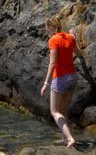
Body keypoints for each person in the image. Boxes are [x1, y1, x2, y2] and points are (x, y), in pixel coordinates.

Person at [39, 16, 81, 147]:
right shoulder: (70, 37)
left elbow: (52, 63)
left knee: (54, 111)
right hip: (73, 77)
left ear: (51, 28)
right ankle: (65, 139)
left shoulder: (53, 40)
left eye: (47, 29)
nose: (47, 31)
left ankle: (69, 139)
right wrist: (74, 38)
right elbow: (79, 53)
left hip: (61, 78)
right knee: (63, 109)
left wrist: (46, 83)